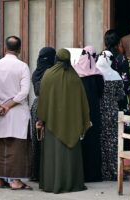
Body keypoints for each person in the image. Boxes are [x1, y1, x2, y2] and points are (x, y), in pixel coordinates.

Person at [37, 48, 90, 193]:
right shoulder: (75, 77)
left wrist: (40, 119)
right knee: (70, 154)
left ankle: (51, 183)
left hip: (52, 123)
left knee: (53, 154)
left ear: (56, 58)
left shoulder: (48, 75)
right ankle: (72, 183)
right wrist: (83, 121)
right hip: (72, 123)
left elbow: (43, 99)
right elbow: (82, 102)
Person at [0, 36, 32, 190]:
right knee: (17, 147)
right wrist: (8, 106)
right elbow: (24, 92)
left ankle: (0, 179)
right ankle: (15, 181)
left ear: (5, 48)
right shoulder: (22, 67)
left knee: (1, 145)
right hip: (17, 112)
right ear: (19, 49)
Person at [73, 46, 104, 182]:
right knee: (93, 141)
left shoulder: (74, 72)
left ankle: (80, 174)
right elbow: (100, 94)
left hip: (79, 111)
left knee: (81, 140)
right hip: (94, 112)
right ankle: (94, 174)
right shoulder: (97, 74)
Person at [96, 50, 125, 181]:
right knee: (113, 141)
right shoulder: (115, 74)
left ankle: (103, 172)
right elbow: (121, 95)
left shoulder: (95, 73)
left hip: (99, 111)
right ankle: (115, 171)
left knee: (101, 141)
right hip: (113, 111)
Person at [30, 47, 56, 182]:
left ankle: (36, 172)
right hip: (50, 107)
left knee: (37, 140)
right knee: (49, 141)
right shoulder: (53, 73)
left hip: (37, 106)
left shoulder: (36, 73)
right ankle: (48, 172)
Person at [104, 29, 130, 112]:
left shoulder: (99, 57)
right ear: (119, 42)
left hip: (104, 99)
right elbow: (126, 80)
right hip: (119, 98)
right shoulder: (122, 58)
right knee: (120, 123)